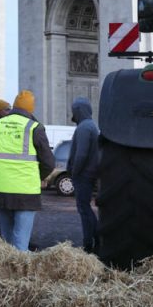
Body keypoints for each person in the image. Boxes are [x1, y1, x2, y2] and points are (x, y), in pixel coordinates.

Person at [0, 90, 55, 251]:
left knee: (6, 241)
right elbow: (49, 162)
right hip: (25, 192)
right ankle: (18, 274)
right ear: (31, 109)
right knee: (21, 242)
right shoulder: (34, 127)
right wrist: (39, 177)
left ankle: (4, 273)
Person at [66, 96, 100, 253]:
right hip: (88, 174)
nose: (72, 114)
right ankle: (96, 240)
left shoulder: (84, 128)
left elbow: (81, 154)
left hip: (83, 175)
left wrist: (74, 172)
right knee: (85, 208)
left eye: (74, 111)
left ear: (79, 111)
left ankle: (90, 242)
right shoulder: (90, 126)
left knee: (84, 209)